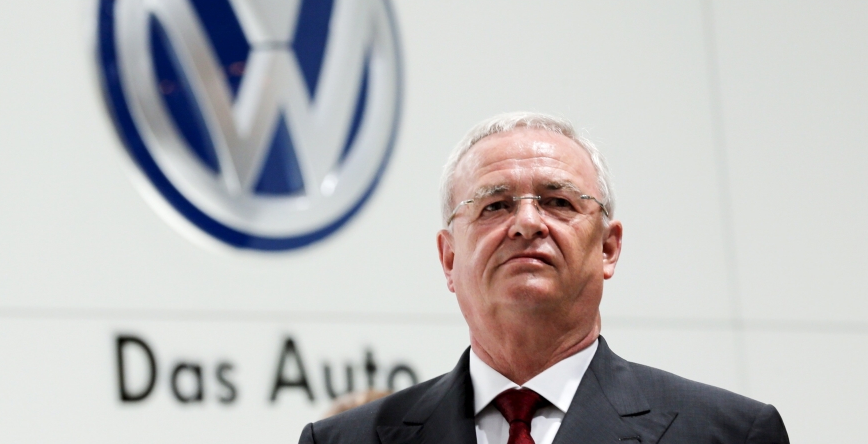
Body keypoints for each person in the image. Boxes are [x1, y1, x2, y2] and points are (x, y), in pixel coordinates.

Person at [298, 112, 789, 444]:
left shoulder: (728, 434)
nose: (528, 223)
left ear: (608, 248)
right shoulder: (343, 442)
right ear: (449, 260)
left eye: (558, 202)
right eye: (494, 205)